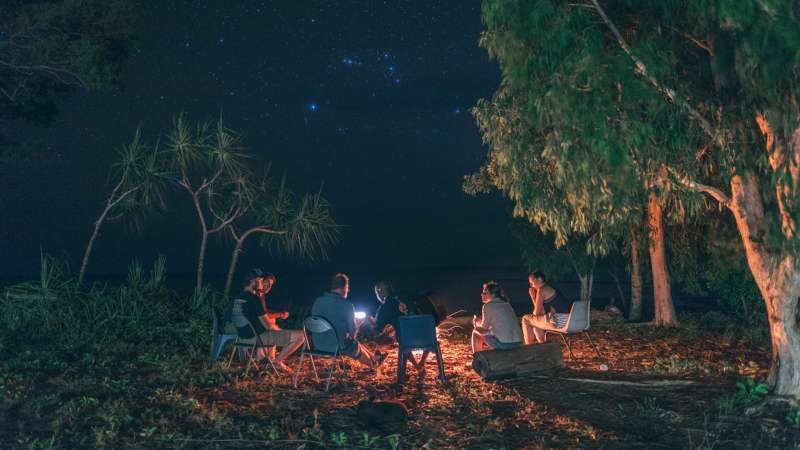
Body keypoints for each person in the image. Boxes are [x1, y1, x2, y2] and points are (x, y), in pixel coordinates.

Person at [234, 268, 305, 372]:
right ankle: (277, 362)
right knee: (301, 336)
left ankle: (267, 360)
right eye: (260, 280)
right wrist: (280, 331)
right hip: (257, 338)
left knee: (274, 326)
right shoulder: (254, 299)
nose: (262, 283)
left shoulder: (239, 297)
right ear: (253, 281)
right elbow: (267, 326)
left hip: (242, 337)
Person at [311, 273, 386, 369]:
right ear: (344, 287)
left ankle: (374, 358)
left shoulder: (318, 301)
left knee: (350, 342)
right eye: (348, 287)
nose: (348, 290)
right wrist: (358, 323)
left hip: (318, 344)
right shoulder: (347, 305)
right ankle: (374, 365)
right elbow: (353, 334)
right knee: (351, 343)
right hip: (335, 347)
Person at [521, 271, 574, 344]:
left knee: (525, 319)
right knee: (536, 322)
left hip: (560, 322)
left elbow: (536, 313)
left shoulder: (541, 290)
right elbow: (541, 313)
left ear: (539, 279)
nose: (531, 286)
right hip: (570, 321)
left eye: (532, 282)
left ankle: (528, 348)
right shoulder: (550, 287)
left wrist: (533, 296)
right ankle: (542, 344)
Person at [471, 281, 523, 353]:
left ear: (493, 295)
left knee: (475, 332)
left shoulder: (487, 306)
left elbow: (483, 329)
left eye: (485, 293)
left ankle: (477, 359)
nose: (482, 295)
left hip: (505, 345)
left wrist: (476, 324)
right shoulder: (507, 304)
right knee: (488, 333)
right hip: (518, 343)